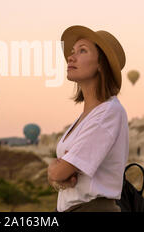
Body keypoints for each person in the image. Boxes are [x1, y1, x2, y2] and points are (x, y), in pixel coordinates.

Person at [47, 25, 129, 212]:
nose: (71, 57)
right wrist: (57, 173)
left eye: (82, 51)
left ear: (101, 64)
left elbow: (60, 172)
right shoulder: (88, 116)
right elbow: (60, 174)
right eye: (72, 51)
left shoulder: (108, 112)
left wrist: (54, 170)